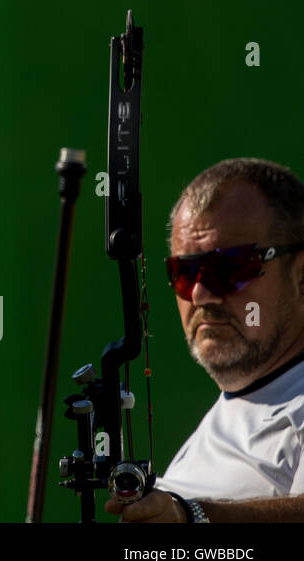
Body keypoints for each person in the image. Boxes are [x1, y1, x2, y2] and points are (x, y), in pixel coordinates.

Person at [108, 158, 304, 522]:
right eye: (183, 273)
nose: (200, 294)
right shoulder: (229, 414)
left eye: (228, 268)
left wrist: (190, 516)